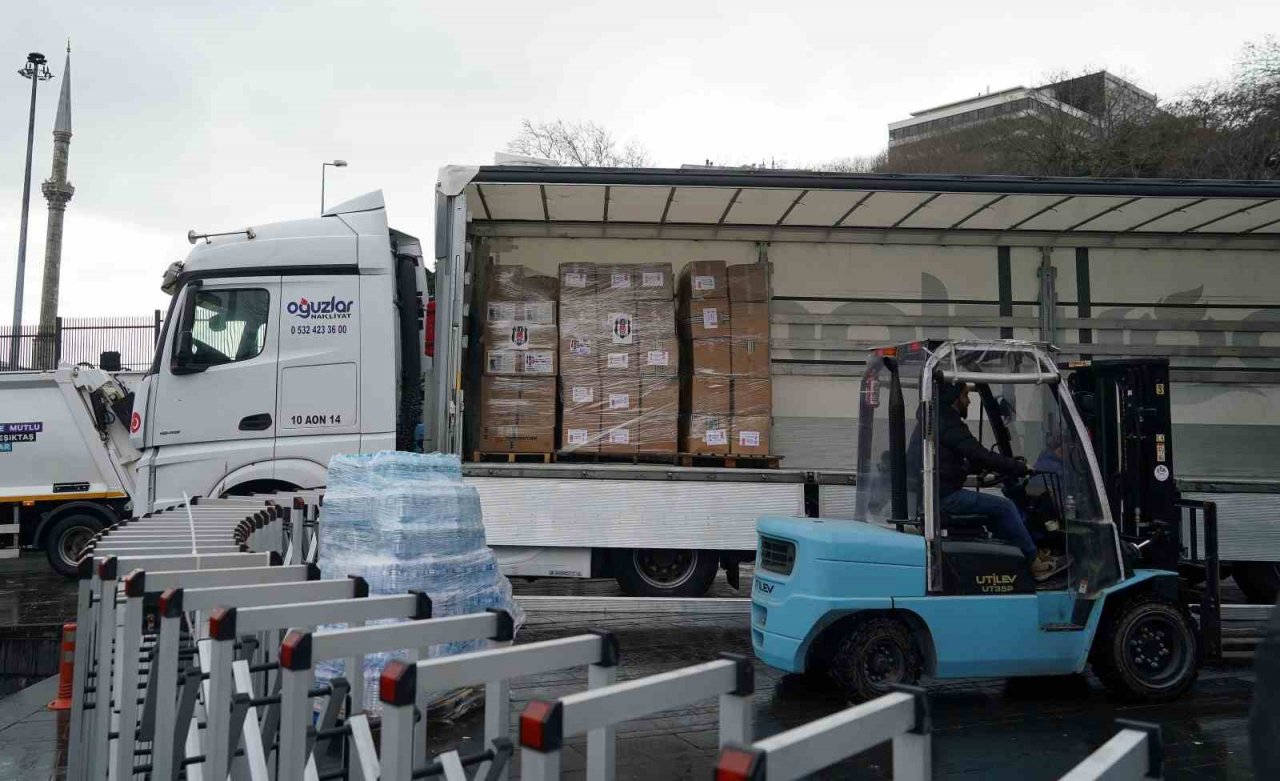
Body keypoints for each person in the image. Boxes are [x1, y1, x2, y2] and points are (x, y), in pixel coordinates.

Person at [937, 381, 1066, 581]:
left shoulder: (940, 422)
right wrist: (1019, 467)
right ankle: (1035, 564)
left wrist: (974, 467)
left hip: (942, 492)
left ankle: (1017, 558)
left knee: (994, 514)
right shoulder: (948, 424)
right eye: (965, 395)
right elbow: (979, 454)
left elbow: (956, 460)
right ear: (955, 398)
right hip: (946, 497)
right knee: (1005, 507)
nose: (969, 401)